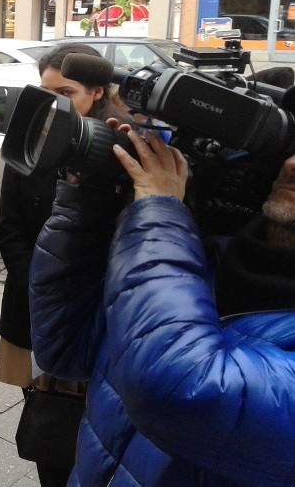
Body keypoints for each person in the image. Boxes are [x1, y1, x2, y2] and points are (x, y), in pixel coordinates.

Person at [30, 130, 295, 486]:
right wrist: (91, 200)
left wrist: (158, 211)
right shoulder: (203, 256)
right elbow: (65, 347)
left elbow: (179, 389)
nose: (292, 165)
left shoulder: (175, 248)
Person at [0, 43, 132, 486]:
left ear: (97, 92)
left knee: (96, 436)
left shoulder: (125, 150)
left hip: (98, 321)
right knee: (46, 423)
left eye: (66, 92)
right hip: (33, 312)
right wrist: (41, 287)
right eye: (46, 92)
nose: (54, 105)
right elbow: (10, 227)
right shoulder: (32, 139)